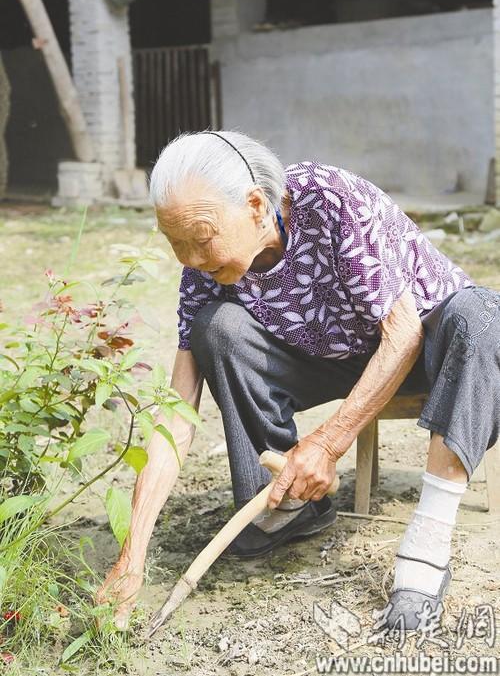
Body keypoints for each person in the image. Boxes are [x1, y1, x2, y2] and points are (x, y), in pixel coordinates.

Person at [96, 130, 500, 631]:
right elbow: (176, 416)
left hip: (425, 344)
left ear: (254, 205)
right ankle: (288, 504)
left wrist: (327, 443)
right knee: (218, 329)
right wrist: (131, 555)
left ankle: (429, 543)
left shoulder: (330, 200)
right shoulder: (205, 265)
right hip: (332, 355)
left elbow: (402, 335)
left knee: (484, 313)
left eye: (200, 239)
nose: (190, 259)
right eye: (173, 242)